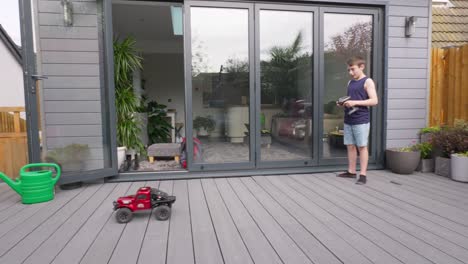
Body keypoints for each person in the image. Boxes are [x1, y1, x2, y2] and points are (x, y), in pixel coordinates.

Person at [337, 56, 378, 184]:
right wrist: (343, 103)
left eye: (353, 69)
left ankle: (363, 175)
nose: (350, 73)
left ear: (361, 67)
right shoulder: (350, 83)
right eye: (349, 70)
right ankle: (351, 171)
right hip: (348, 119)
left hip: (361, 120)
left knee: (362, 147)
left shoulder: (368, 81)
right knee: (350, 146)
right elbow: (350, 98)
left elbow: (374, 101)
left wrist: (354, 102)